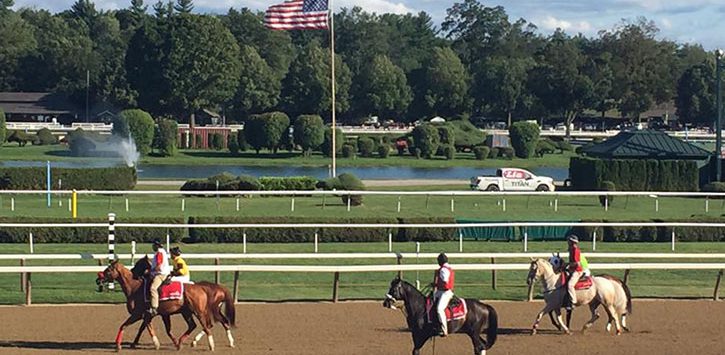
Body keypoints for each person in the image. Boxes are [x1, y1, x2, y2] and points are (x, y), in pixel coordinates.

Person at [565, 234, 590, 310]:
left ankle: (573, 302)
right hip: (572, 269)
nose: (567, 242)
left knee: (570, 285)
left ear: (572, 242)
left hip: (577, 271)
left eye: (568, 241)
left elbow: (577, 263)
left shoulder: (576, 250)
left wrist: (567, 264)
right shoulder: (571, 249)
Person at [433, 253, 455, 337]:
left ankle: (444, 329)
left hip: (445, 292)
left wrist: (436, 284)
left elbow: (445, 280)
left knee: (439, 309)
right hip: (441, 291)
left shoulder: (443, 270)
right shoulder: (447, 268)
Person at [149, 239, 171, 316]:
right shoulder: (161, 252)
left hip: (161, 274)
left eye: (154, 245)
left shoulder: (159, 253)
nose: (153, 246)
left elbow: (158, 266)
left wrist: (150, 271)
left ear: (156, 245)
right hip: (161, 272)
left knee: (153, 288)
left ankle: (154, 307)